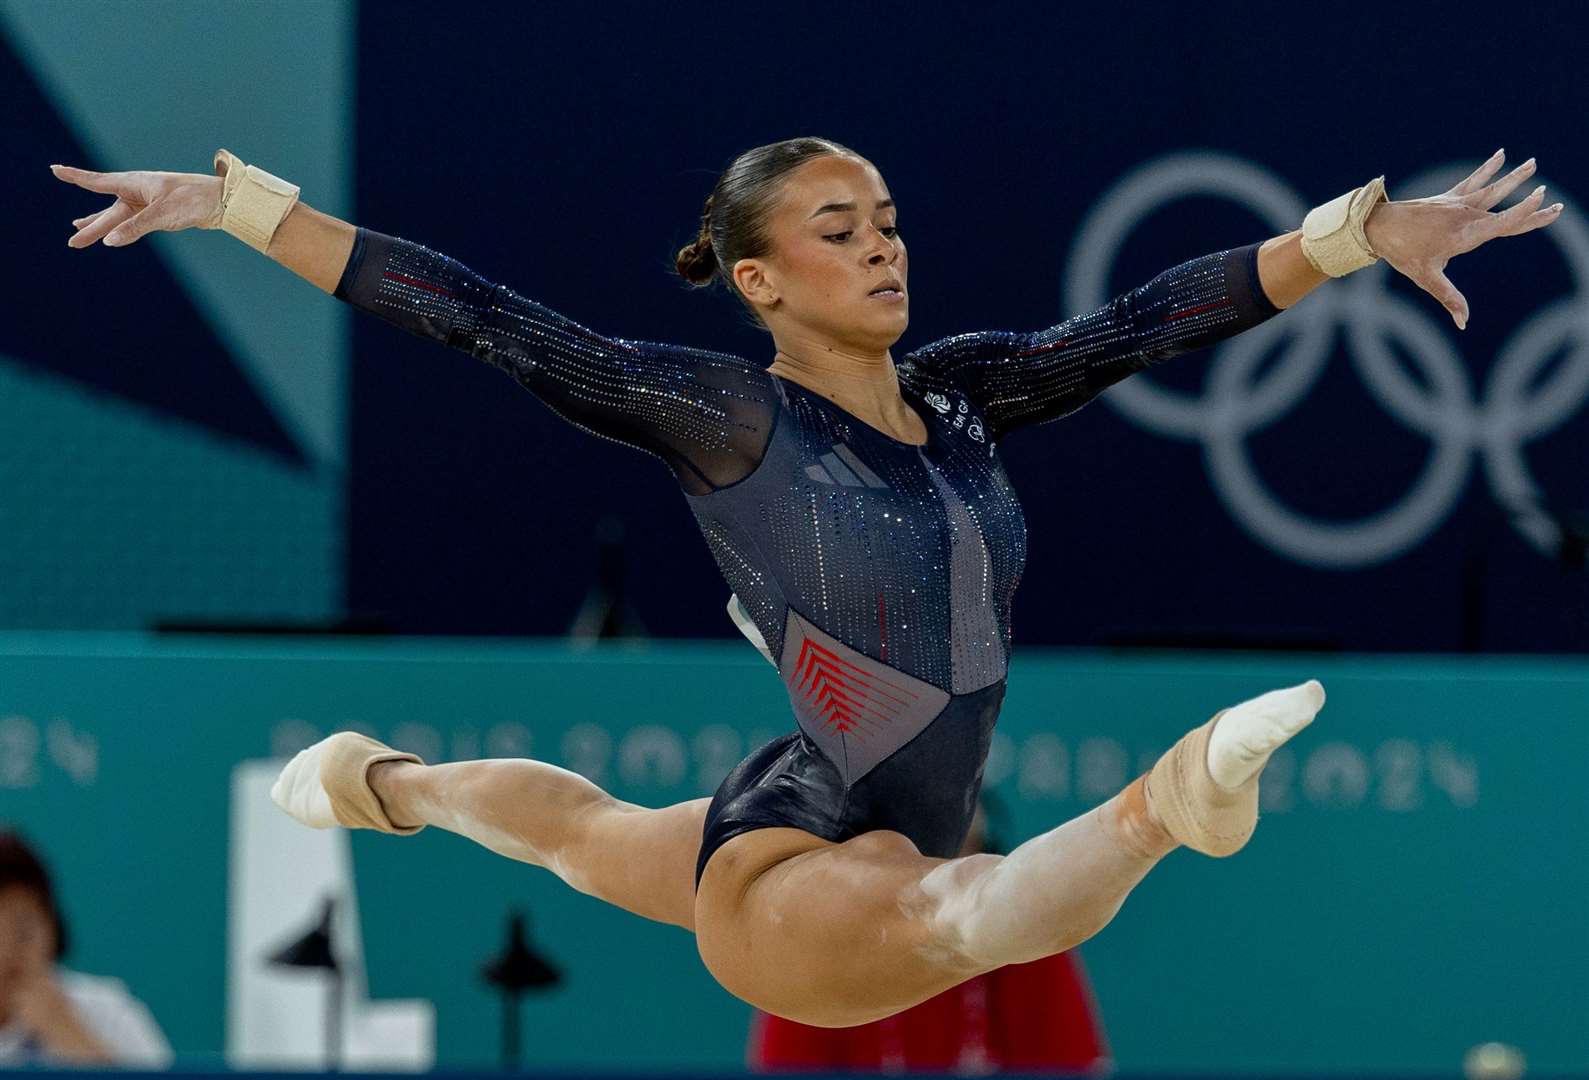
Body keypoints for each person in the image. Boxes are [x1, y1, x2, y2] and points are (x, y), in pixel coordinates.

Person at [52, 139, 1559, 1028]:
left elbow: (1149, 322)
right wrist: (240, 210)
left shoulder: (967, 389)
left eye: (889, 224)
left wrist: (1353, 235)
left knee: (585, 830)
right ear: (760, 279)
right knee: (954, 917)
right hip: (801, 872)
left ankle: (384, 784)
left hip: (806, 790)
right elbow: (484, 321)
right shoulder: (731, 418)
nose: (880, 249)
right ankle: (1167, 807)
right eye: (837, 233)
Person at [747, 799, 1112, 1073]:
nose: (944, 874)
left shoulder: (1027, 936)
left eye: (965, 853)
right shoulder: (817, 947)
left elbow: (1071, 1064)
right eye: (925, 853)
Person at [0, 830, 173, 1068]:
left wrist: (67, 1032)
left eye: (23, 929)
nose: (9, 952)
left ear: (52, 927)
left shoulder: (107, 1013)